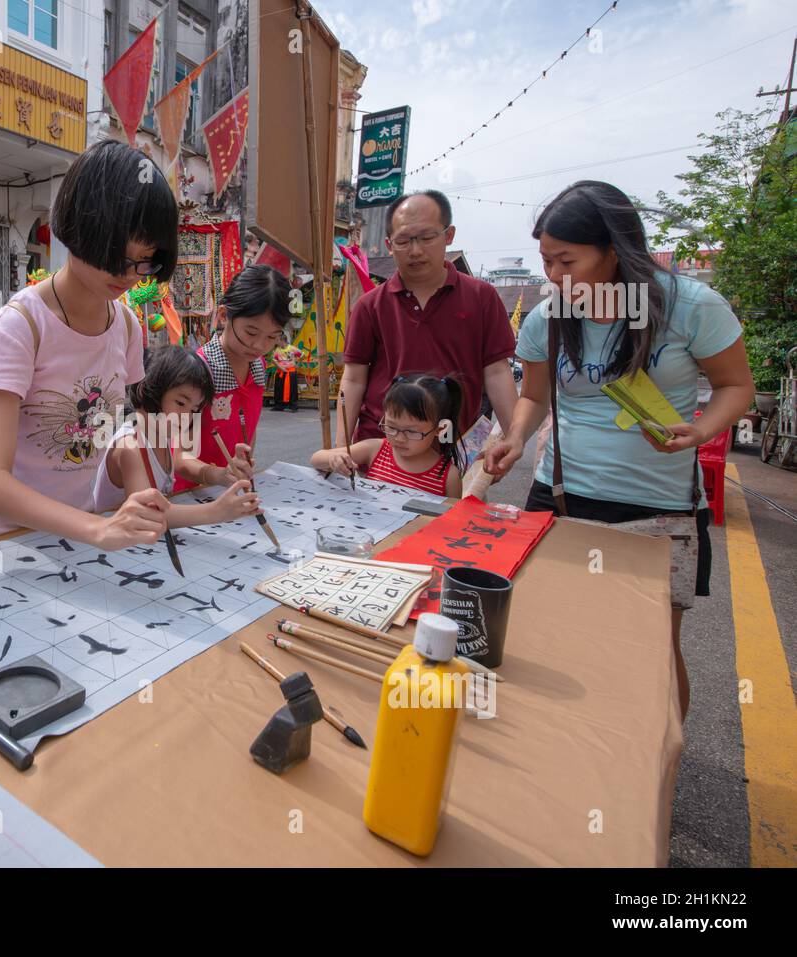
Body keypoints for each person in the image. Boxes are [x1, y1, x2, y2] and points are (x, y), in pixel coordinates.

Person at [482, 180, 754, 720]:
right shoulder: (548, 316)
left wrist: (700, 430)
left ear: (616, 249)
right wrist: (512, 436)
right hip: (560, 498)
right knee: (552, 633)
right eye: (546, 261)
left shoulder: (690, 306)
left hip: (657, 510)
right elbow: (534, 395)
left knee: (650, 649)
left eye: (567, 261)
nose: (554, 277)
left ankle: (654, 771)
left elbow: (736, 387)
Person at [0, 140, 175, 549]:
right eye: (118, 256)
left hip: (68, 527)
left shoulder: (125, 325)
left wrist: (134, 487)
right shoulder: (20, 328)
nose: (130, 276)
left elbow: (116, 423)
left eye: (146, 262)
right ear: (79, 229)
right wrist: (98, 529)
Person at [337, 189, 518, 446]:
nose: (415, 250)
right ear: (389, 245)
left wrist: (514, 439)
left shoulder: (482, 297)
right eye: (404, 240)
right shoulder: (370, 305)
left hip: (453, 446)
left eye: (426, 237)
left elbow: (497, 372)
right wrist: (341, 447)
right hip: (382, 448)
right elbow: (354, 378)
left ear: (449, 235)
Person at [92, 345, 261, 525]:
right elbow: (146, 513)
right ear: (146, 389)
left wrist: (221, 475)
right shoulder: (130, 447)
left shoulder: (161, 433)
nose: (186, 417)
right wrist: (215, 511)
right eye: (181, 403)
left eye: (194, 410)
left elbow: (180, 465)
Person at [173, 264, 294, 492]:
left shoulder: (258, 366)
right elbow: (178, 457)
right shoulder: (196, 373)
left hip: (231, 493)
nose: (259, 346)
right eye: (251, 332)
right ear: (223, 316)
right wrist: (218, 474)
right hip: (190, 498)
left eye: (271, 337)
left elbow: (249, 431)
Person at [312, 374, 463, 498]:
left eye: (412, 432)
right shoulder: (376, 449)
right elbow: (316, 459)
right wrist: (332, 459)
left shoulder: (449, 477)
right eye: (391, 427)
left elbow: (449, 524)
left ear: (440, 429)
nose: (399, 438)